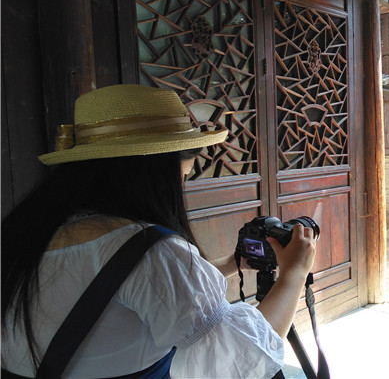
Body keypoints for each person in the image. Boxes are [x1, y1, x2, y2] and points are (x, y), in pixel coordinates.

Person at [1, 84, 317, 378]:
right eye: (182, 177)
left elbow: (127, 286)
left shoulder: (30, 231)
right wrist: (294, 273)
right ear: (154, 176)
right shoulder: (152, 250)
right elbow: (242, 357)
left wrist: (233, 264)